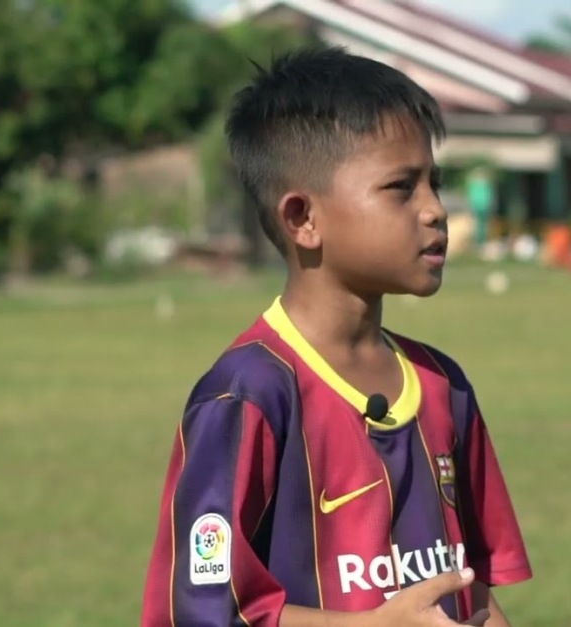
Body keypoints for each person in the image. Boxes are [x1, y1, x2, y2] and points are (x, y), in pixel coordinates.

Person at [140, 47, 532, 627]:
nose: (435, 210)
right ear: (303, 218)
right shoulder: (247, 394)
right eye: (401, 187)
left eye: (435, 183)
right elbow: (201, 611)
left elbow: (470, 588)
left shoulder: (443, 385)